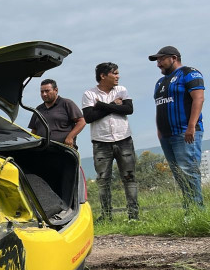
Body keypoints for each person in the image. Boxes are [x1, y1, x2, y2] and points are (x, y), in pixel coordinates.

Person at [149, 46, 205, 210]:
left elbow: (199, 99)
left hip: (185, 133)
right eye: (157, 60)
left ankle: (197, 211)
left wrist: (191, 126)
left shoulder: (189, 73)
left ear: (173, 57)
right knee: (179, 175)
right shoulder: (160, 82)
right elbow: (160, 106)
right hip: (167, 136)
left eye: (161, 59)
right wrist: (159, 131)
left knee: (189, 172)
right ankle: (189, 209)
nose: (158, 63)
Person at [82, 62, 138, 221]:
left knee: (130, 178)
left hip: (124, 139)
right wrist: (113, 105)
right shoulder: (89, 94)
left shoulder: (122, 90)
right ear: (103, 76)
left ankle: (133, 215)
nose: (118, 76)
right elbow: (89, 117)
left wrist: (101, 107)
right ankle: (107, 216)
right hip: (101, 142)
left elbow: (129, 110)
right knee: (103, 180)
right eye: (115, 73)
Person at [28, 79, 86, 148]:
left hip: (63, 149)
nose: (44, 94)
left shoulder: (66, 103)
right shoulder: (38, 109)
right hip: (42, 151)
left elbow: (82, 121)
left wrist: (70, 137)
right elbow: (34, 131)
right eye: (42, 92)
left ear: (56, 90)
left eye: (47, 91)